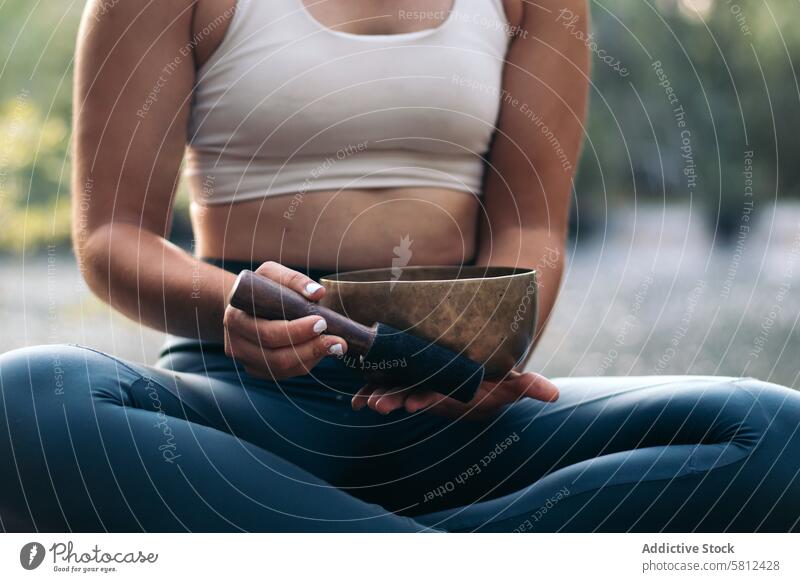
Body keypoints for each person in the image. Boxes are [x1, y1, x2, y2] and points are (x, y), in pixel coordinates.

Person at [1, 0, 799, 532]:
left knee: (771, 435)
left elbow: (528, 223)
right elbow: (110, 236)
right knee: (27, 399)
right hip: (241, 407)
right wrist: (224, 304)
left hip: (452, 409)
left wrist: (497, 350)